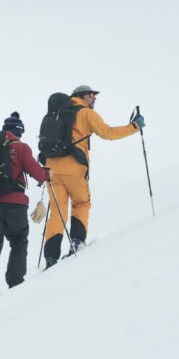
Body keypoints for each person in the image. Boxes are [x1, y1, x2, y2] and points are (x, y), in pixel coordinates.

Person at [42, 85, 142, 268]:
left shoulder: (56, 113)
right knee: (81, 203)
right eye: (91, 95)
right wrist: (134, 127)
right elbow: (108, 133)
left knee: (58, 212)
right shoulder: (86, 114)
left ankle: (50, 256)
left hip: (52, 169)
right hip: (75, 168)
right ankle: (78, 242)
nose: (94, 98)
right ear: (81, 96)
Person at [0, 112, 51, 302]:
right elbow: (37, 173)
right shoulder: (21, 148)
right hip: (16, 205)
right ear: (19, 132)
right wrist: (48, 175)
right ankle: (15, 283)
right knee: (19, 240)